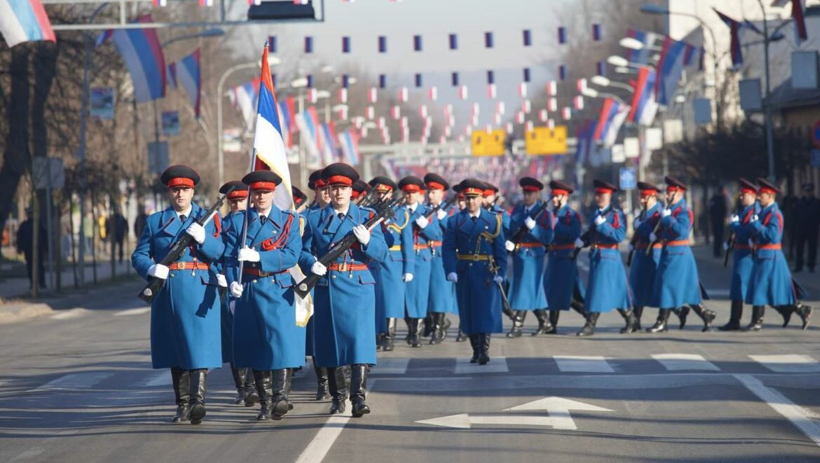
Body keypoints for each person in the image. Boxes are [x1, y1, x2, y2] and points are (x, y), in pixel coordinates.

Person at [131, 165, 224, 425]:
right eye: (175, 190)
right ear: (169, 193)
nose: (180, 194)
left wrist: (205, 238)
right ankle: (182, 404)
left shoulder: (210, 218)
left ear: (192, 191)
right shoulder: (155, 221)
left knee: (199, 348)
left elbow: (222, 252)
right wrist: (151, 267)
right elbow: (138, 255)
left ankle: (198, 401)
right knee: (176, 349)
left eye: (184, 189)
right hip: (169, 288)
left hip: (200, 287)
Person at [299, 163, 388, 417]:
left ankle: (358, 397)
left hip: (359, 285)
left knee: (359, 343)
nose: (338, 193)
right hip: (329, 284)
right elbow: (303, 250)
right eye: (334, 188)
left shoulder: (367, 216)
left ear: (351, 191)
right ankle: (338, 397)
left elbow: (381, 253)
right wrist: (311, 263)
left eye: (343, 188)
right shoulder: (314, 218)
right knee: (331, 345)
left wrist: (368, 241)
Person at [224, 171, 304, 422]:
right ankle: (265, 401)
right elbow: (227, 258)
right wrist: (232, 281)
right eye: (256, 193)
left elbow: (292, 254)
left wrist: (260, 257)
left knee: (279, 345)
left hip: (278, 288)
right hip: (248, 288)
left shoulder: (289, 221)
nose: (260, 197)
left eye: (265, 192)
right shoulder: (239, 222)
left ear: (273, 194)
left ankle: (281, 397)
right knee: (255, 346)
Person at [443, 178, 507, 365]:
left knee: (484, 311)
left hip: (486, 272)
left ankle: (484, 349)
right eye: (468, 197)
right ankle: (475, 349)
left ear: (481, 198)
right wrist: (450, 270)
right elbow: (448, 248)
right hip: (465, 272)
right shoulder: (455, 221)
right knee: (469, 312)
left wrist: (501, 272)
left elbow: (500, 249)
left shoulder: (493, 220)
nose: (471, 201)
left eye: (474, 197)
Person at [645, 177, 715, 333]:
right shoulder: (669, 210)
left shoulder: (684, 211)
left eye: (669, 193)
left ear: (678, 193)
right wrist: (656, 236)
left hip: (679, 254)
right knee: (683, 289)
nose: (666, 196)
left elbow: (681, 231)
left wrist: (668, 218)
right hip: (669, 253)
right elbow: (666, 231)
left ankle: (661, 321)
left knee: (666, 285)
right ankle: (706, 314)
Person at [744, 178, 812, 331]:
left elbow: (773, 235)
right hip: (763, 254)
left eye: (761, 194)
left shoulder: (775, 214)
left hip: (770, 255)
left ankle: (757, 321)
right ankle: (797, 310)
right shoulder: (764, 212)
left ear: (769, 196)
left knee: (762, 288)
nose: (758, 197)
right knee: (767, 289)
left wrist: (755, 225)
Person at [576, 180, 637, 337]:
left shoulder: (616, 215)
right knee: (614, 291)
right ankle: (630, 318)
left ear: (609, 196)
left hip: (609, 257)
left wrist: (603, 225)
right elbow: (593, 234)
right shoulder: (596, 213)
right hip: (597, 256)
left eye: (602, 195)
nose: (598, 198)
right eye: (597, 194)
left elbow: (619, 235)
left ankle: (590, 324)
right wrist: (584, 241)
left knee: (597, 291)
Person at [216, 180, 258, 406]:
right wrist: (218, 273)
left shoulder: (254, 222)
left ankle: (252, 384)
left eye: (240, 200)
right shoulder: (221, 224)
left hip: (250, 282)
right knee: (233, 340)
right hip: (227, 285)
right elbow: (214, 253)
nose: (236, 205)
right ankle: (242, 387)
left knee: (252, 335)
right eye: (232, 201)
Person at [504, 177, 553, 337]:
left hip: (533, 256)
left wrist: (535, 228)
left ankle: (518, 324)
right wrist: (509, 242)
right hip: (519, 255)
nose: (526, 196)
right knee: (531, 289)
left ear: (537, 194)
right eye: (525, 193)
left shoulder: (544, 214)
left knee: (524, 289)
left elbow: (548, 238)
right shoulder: (518, 211)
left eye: (530, 193)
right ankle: (544, 321)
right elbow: (512, 230)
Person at [368, 176, 410, 351]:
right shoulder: (369, 210)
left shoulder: (400, 213)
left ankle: (390, 335)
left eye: (384, 193)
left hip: (393, 261)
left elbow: (407, 242)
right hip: (375, 259)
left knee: (391, 300)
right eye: (378, 193)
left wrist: (409, 267)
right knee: (378, 299)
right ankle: (379, 333)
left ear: (391, 193)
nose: (380, 196)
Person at [543, 181, 586, 334]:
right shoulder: (552, 213)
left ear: (564, 197)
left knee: (566, 294)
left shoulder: (571, 214)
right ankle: (552, 324)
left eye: (556, 196)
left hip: (566, 256)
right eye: (552, 196)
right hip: (554, 256)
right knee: (552, 291)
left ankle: (588, 316)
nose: (553, 199)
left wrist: (556, 224)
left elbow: (573, 234)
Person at [400, 176, 437, 348]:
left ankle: (416, 333)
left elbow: (436, 235)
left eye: (413, 192)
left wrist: (426, 226)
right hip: (403, 257)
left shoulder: (426, 211)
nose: (409, 195)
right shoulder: (399, 212)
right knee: (406, 295)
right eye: (407, 192)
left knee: (420, 296)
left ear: (419, 193)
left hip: (422, 256)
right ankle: (411, 327)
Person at [719, 179, 760, 331]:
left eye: (744, 194)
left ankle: (740, 320)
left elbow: (747, 232)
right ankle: (734, 319)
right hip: (740, 252)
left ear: (752, 195)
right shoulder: (742, 210)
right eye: (740, 194)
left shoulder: (754, 211)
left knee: (746, 286)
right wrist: (730, 242)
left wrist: (735, 226)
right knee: (738, 286)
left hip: (748, 254)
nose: (741, 197)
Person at [304, 169, 330, 400]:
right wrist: (310, 263)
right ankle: (322, 380)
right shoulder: (307, 217)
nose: (327, 193)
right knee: (317, 334)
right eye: (323, 189)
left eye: (329, 189)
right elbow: (301, 248)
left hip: (341, 278)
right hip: (314, 280)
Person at [423, 173, 458, 344]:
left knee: (440, 293)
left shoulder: (450, 210)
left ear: (442, 193)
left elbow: (455, 229)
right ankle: (434, 322)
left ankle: (439, 327)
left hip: (441, 255)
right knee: (427, 293)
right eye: (429, 192)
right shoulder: (424, 209)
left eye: (434, 192)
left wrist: (443, 218)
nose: (430, 195)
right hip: (425, 255)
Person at [627, 182, 663, 331]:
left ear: (652, 197)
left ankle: (670, 315)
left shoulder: (658, 212)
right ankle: (636, 320)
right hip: (641, 253)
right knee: (637, 287)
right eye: (641, 197)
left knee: (657, 288)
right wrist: (633, 242)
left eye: (644, 198)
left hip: (652, 253)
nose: (641, 201)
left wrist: (640, 226)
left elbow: (654, 234)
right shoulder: (644, 212)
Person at [16, 208, 46, 290]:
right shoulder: (24, 225)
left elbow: (44, 236)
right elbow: (20, 237)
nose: (30, 216)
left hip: (38, 249)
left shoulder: (39, 224)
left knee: (40, 266)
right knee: (30, 267)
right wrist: (19, 248)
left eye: (31, 214)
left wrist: (45, 248)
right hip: (28, 249)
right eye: (29, 214)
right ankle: (32, 283)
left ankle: (42, 283)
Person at [793, 183, 820, 273]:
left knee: (812, 248)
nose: (808, 193)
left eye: (810, 191)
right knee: (799, 248)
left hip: (813, 228)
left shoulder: (816, 203)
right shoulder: (799, 203)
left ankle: (811, 265)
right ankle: (798, 265)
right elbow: (795, 216)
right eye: (806, 191)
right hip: (801, 229)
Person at [708, 187, 728, 258]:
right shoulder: (721, 199)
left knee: (717, 237)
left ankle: (717, 251)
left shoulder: (713, 199)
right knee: (720, 237)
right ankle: (719, 252)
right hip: (720, 220)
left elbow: (710, 210)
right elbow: (725, 209)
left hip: (715, 221)